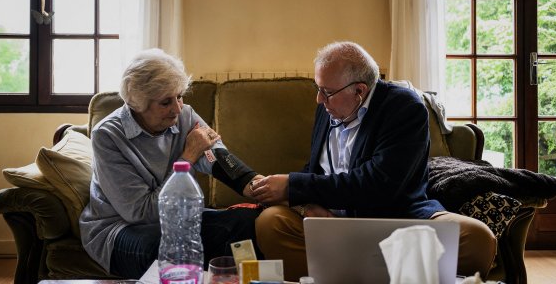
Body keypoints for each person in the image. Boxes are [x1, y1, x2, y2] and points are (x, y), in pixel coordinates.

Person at [250, 41, 497, 281]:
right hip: (331, 224)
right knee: (270, 223)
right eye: (318, 88)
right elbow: (316, 170)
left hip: (397, 221)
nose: (318, 99)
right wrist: (306, 205)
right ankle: (376, 272)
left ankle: (352, 271)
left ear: (359, 91)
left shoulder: (405, 108)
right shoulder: (328, 108)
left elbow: (378, 185)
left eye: (326, 92)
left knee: (477, 238)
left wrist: (293, 186)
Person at [80, 48, 263, 279]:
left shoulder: (184, 114)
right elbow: (141, 213)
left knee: (245, 221)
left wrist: (252, 183)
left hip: (178, 220)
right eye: (166, 102)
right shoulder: (108, 135)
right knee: (170, 245)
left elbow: (215, 154)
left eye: (179, 96)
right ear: (139, 104)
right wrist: (188, 156)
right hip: (119, 229)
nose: (177, 108)